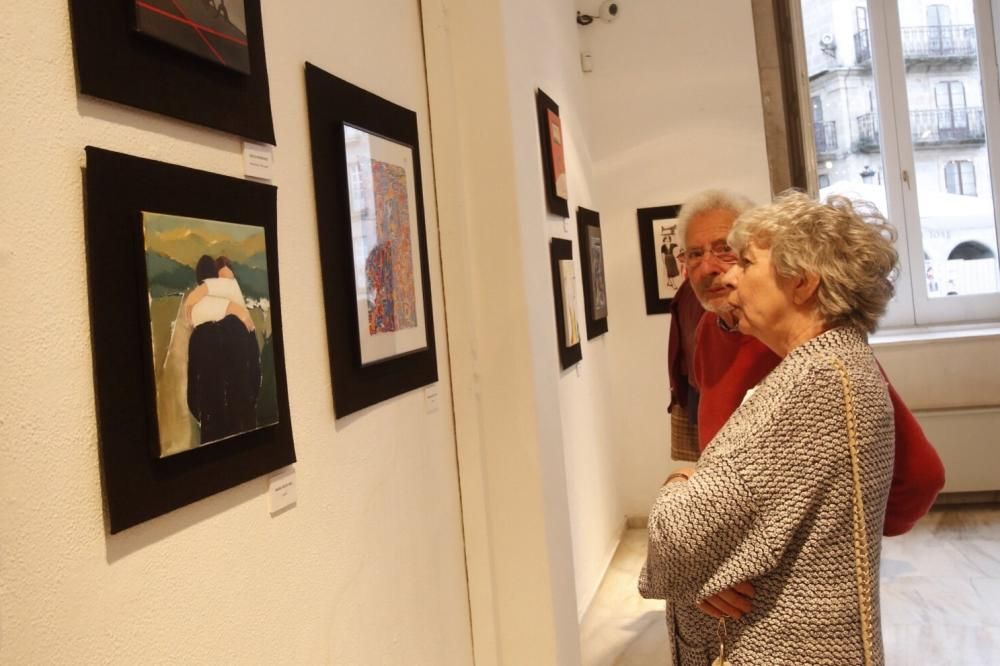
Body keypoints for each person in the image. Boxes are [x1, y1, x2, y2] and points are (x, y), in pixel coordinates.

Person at [641, 192, 900, 664]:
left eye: (745, 261)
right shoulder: (831, 363)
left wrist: (679, 482)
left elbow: (678, 536)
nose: (729, 275)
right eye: (698, 254)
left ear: (801, 282)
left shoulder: (813, 379)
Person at [673, 188, 945, 623]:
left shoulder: (811, 353)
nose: (710, 268)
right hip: (733, 590)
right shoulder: (709, 329)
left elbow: (920, 476)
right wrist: (713, 553)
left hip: (784, 604)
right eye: (694, 253)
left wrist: (832, 549)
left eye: (730, 253)